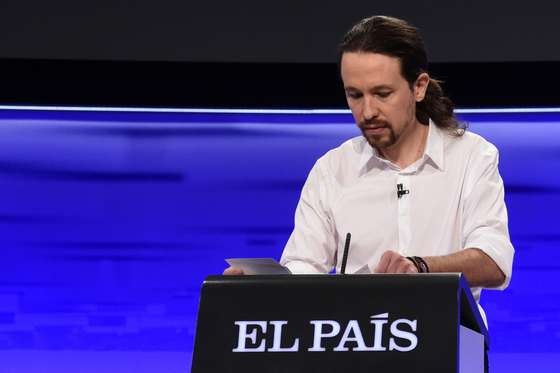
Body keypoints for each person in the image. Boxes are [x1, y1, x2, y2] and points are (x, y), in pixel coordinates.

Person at [225, 15, 514, 314]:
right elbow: (304, 266)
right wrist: (262, 287)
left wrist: (420, 267)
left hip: (450, 344)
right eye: (355, 95)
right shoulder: (332, 169)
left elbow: (493, 261)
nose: (367, 111)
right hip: (355, 345)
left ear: (419, 87)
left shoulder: (472, 156)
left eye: (382, 93)